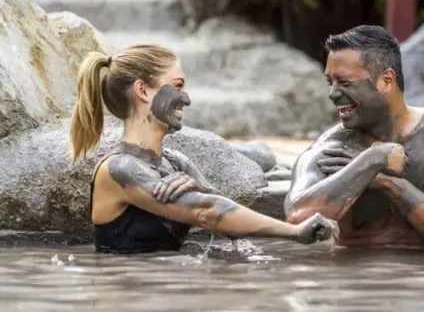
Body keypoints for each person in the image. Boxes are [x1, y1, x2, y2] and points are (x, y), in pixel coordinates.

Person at [69, 43, 338, 254]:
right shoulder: (118, 170)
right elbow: (208, 212)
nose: (186, 98)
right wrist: (294, 232)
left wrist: (201, 189)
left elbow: (227, 220)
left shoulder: (175, 163)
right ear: (143, 91)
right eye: (177, 86)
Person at [284, 25, 424, 253]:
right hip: (354, 279)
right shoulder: (332, 149)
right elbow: (297, 219)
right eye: (330, 82)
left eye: (345, 83)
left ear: (386, 81)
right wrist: (372, 159)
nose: (332, 94)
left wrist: (388, 184)